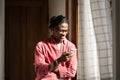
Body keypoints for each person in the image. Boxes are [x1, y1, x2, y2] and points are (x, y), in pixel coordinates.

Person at [34, 15, 77, 80]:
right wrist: (59, 60)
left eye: (66, 31)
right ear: (53, 29)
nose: (64, 34)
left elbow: (72, 72)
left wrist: (51, 68)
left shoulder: (71, 46)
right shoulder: (41, 46)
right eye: (61, 30)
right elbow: (39, 71)